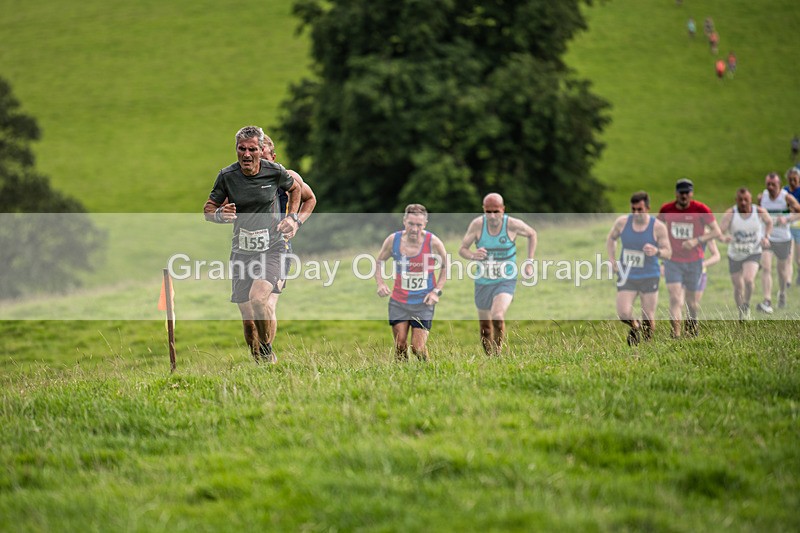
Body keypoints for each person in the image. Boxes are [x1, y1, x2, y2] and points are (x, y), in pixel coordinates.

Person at [203, 125, 301, 363]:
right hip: (241, 252)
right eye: (241, 149)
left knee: (259, 299)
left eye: (252, 149)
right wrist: (219, 215)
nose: (246, 154)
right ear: (236, 149)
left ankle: (268, 353)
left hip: (272, 247)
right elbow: (208, 209)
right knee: (248, 322)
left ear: (260, 150)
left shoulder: (274, 171)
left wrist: (293, 217)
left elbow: (296, 189)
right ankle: (258, 358)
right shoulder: (227, 176)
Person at [458, 193, 537, 355]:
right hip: (483, 282)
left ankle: (498, 354)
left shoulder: (512, 224)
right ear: (483, 210)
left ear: (503, 209)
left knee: (497, 317)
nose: (492, 216)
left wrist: (530, 261)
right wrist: (473, 255)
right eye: (488, 212)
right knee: (485, 328)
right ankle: (490, 358)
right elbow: (462, 249)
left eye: (496, 211)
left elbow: (532, 234)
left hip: (505, 279)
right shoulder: (477, 225)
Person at [374, 204, 448, 362]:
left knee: (417, 348)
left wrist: (436, 291)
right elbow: (379, 261)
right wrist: (380, 283)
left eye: (419, 225)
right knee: (400, 345)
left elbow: (445, 266)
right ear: (404, 221)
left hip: (423, 302)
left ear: (425, 224)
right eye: (411, 224)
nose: (414, 229)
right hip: (399, 301)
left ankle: (429, 371)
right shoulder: (393, 240)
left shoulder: (433, 242)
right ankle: (401, 377)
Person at [606, 191, 672, 346]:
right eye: (633, 209)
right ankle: (635, 327)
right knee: (623, 313)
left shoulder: (658, 227)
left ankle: (647, 345)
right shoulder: (622, 223)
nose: (636, 213)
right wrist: (612, 260)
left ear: (648, 208)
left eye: (640, 209)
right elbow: (611, 238)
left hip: (649, 275)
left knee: (648, 316)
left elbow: (668, 253)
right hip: (627, 274)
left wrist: (657, 251)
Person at [658, 178, 721, 338]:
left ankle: (692, 326)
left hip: (694, 261)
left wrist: (696, 241)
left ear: (691, 193)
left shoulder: (701, 209)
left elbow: (716, 232)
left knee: (691, 302)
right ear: (676, 194)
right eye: (681, 193)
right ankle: (676, 335)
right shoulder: (667, 209)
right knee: (674, 298)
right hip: (673, 261)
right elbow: (655, 229)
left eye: (687, 193)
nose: (684, 196)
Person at [719, 188, 773, 320]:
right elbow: (720, 231)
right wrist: (724, 238)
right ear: (736, 200)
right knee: (738, 287)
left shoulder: (759, 211)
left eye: (746, 200)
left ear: (751, 200)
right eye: (740, 200)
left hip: (753, 251)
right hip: (735, 254)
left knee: (748, 280)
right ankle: (741, 312)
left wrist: (766, 236)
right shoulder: (730, 213)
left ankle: (747, 304)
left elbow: (769, 222)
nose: (743, 203)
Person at [756, 172, 800, 312]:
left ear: (779, 185)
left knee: (781, 272)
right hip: (767, 238)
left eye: (773, 184)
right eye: (768, 184)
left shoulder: (786, 197)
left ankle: (782, 293)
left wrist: (787, 219)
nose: (770, 187)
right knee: (766, 267)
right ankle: (767, 300)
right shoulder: (762, 197)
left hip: (783, 238)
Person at [784, 167, 800, 285]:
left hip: (798, 227)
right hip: (787, 227)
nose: (792, 182)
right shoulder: (784, 192)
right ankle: (788, 281)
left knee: (798, 258)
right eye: (790, 180)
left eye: (794, 179)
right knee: (788, 256)